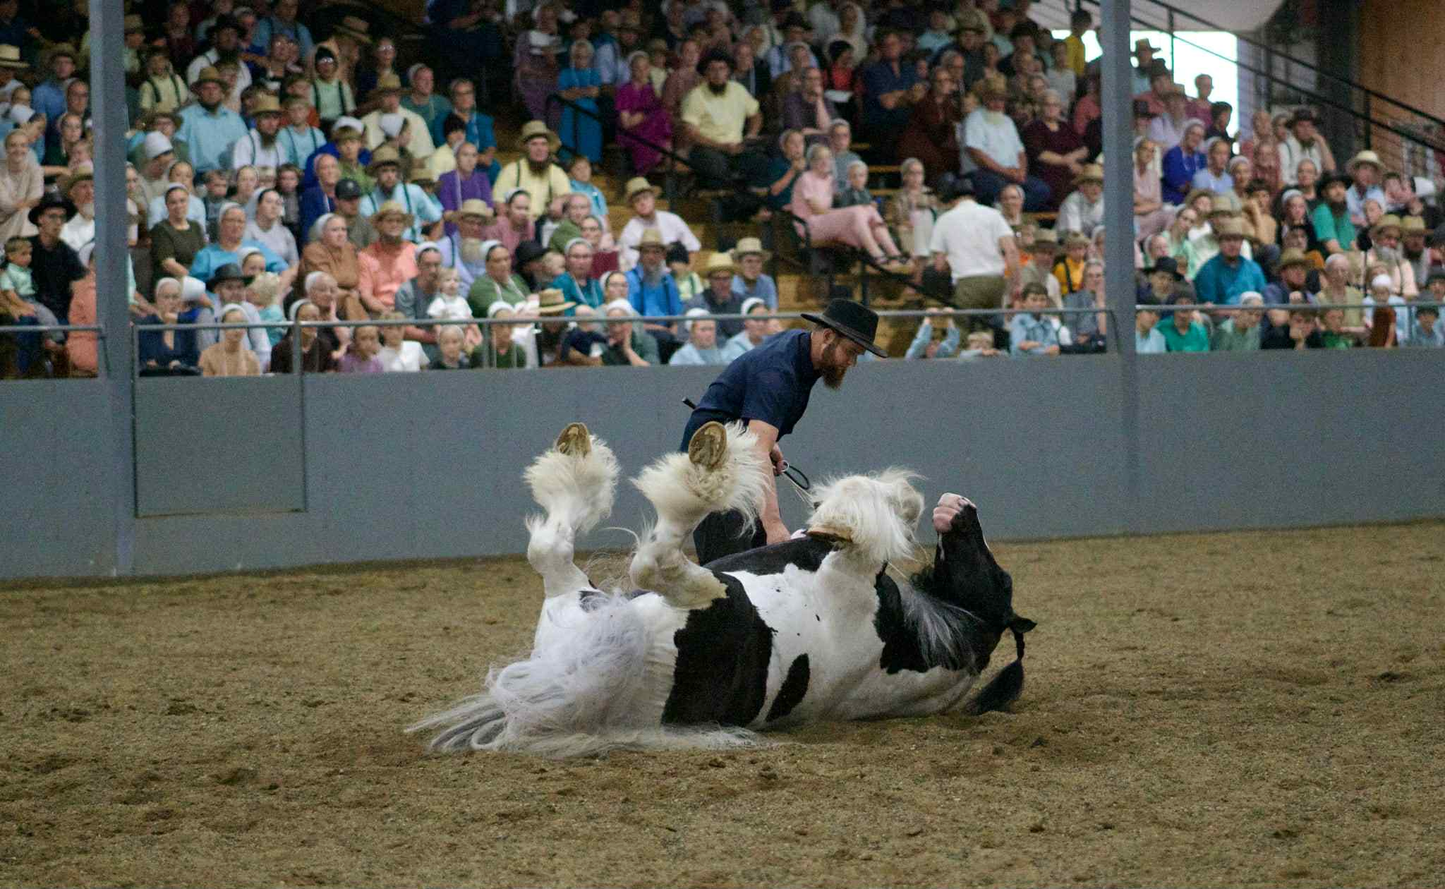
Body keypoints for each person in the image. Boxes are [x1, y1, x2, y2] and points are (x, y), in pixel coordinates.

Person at [682, 297, 887, 562]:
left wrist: (768, 442)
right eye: (851, 352)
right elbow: (757, 450)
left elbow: (753, 416)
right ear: (827, 336)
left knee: (751, 567)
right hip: (713, 473)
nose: (851, 362)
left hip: (736, 467)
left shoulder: (800, 347)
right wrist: (774, 524)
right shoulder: (779, 370)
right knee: (727, 573)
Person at [791, 143, 910, 272]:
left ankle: (894, 255)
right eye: (820, 158)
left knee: (869, 210)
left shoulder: (830, 179)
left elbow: (844, 196)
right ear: (812, 162)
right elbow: (817, 210)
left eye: (828, 158)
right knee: (858, 211)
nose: (825, 161)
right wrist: (851, 210)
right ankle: (878, 256)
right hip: (809, 225)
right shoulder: (806, 178)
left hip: (826, 223)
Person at [929, 175, 1017, 330]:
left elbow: (939, 265)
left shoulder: (945, 220)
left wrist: (954, 262)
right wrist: (1016, 285)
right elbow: (1011, 251)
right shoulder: (993, 215)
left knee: (965, 334)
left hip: (967, 283)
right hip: (996, 282)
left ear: (952, 198)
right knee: (992, 334)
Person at [961, 82, 1049, 210]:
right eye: (994, 99)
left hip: (1011, 173)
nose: (998, 103)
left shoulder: (1007, 121)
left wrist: (1021, 172)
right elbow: (978, 156)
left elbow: (1021, 152)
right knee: (1000, 189)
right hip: (984, 173)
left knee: (1042, 190)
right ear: (985, 99)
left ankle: (1011, 214)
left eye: (1001, 100)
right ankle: (1005, 214)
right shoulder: (974, 119)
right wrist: (1007, 172)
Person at [491, 121, 571, 222]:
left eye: (543, 144)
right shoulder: (511, 170)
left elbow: (568, 196)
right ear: (525, 148)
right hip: (516, 226)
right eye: (534, 144)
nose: (540, 149)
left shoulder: (556, 172)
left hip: (545, 225)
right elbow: (499, 203)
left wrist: (560, 200)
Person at [1021, 89, 1085, 210]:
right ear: (1040, 107)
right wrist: (1068, 162)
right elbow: (1040, 154)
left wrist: (1072, 158)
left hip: (1070, 171)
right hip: (1045, 173)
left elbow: (1083, 149)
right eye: (1047, 104)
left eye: (1055, 105)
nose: (1051, 108)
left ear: (1060, 107)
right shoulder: (1033, 128)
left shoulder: (1066, 126)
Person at [616, 177, 700, 270]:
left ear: (653, 198)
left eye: (645, 197)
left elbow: (693, 247)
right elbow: (634, 264)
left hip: (677, 274)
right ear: (633, 206)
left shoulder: (672, 219)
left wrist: (686, 274)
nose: (643, 203)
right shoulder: (629, 231)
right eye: (637, 200)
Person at [616, 50, 673, 175]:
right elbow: (626, 123)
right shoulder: (624, 90)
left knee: (663, 116)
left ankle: (666, 163)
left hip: (650, 126)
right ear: (631, 69)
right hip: (631, 132)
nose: (642, 72)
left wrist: (643, 116)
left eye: (645, 68)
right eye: (638, 68)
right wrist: (641, 117)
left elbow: (657, 109)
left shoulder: (651, 89)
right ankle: (651, 162)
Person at [1193, 218, 1266, 306]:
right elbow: (1208, 307)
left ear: (1242, 242)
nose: (1232, 244)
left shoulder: (1254, 268)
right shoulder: (1208, 270)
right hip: (1220, 318)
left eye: (1236, 240)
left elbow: (1263, 299)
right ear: (1219, 243)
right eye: (1227, 240)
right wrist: (1238, 313)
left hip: (1252, 316)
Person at [199, 304, 262, 376]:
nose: (237, 330)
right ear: (222, 326)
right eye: (232, 324)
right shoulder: (208, 356)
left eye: (241, 324)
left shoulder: (252, 359)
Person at [1009, 283, 1060, 357]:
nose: (1038, 303)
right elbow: (1019, 347)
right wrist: (1044, 350)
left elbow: (1054, 347)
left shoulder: (1047, 321)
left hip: (1046, 364)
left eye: (1042, 300)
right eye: (1034, 299)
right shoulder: (1019, 320)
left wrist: (1033, 345)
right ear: (1023, 302)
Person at [1056, 164, 1105, 237]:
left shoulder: (1105, 200)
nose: (1095, 188)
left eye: (1099, 184)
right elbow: (1074, 235)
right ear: (1081, 187)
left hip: (1092, 244)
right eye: (1090, 184)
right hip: (1066, 244)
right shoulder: (1072, 200)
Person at [729, 238, 777, 310]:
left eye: (758, 262)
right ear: (739, 263)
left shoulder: (767, 282)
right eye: (749, 261)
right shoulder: (730, 284)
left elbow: (773, 311)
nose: (754, 266)